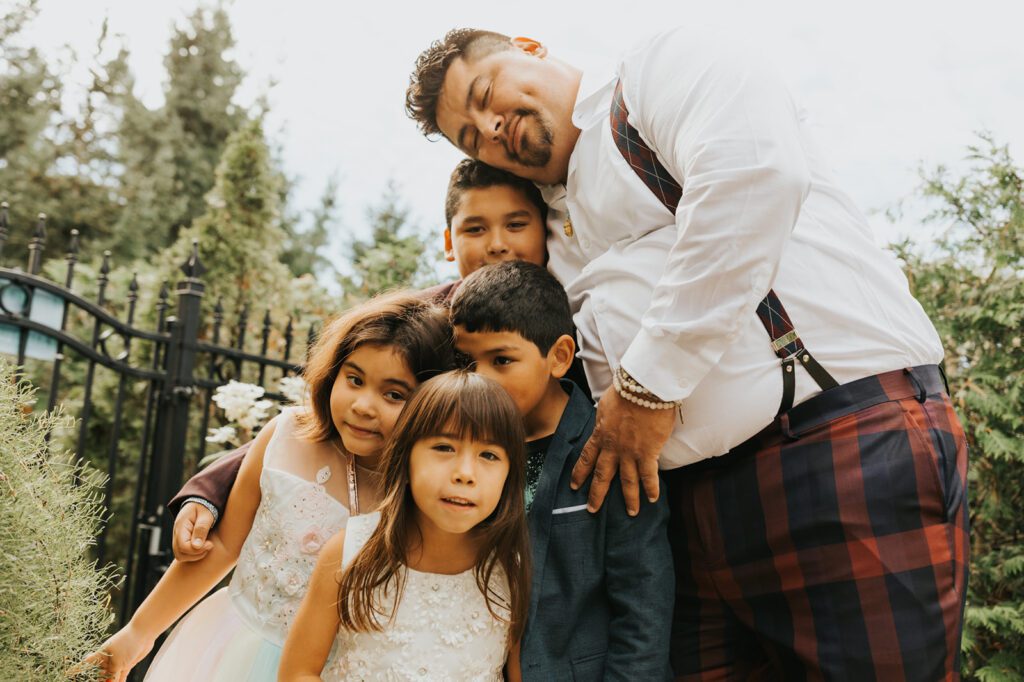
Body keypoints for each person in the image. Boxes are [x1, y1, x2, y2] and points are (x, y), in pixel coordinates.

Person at [406, 27, 969, 680]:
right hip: (678, 507)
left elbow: (755, 176)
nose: (490, 126)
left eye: (485, 93)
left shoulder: (659, 73)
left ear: (530, 47)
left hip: (829, 447)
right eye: (471, 136)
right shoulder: (544, 216)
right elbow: (478, 310)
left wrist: (648, 388)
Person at [166, 158, 589, 564]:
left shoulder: (569, 318)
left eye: (516, 224)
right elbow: (317, 422)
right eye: (476, 228)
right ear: (449, 242)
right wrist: (211, 489)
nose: (498, 243)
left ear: (547, 229)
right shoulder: (425, 321)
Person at [84, 292, 456, 681]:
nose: (364, 405)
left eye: (394, 394)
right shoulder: (286, 435)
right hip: (233, 651)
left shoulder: (426, 491)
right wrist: (137, 634)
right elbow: (225, 545)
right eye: (355, 379)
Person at [451, 261, 673, 680]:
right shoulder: (456, 450)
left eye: (501, 359)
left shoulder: (608, 447)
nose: (480, 379)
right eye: (465, 362)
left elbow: (643, 604)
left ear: (559, 357)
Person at [278, 371, 530, 681]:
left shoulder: (512, 569)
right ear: (405, 459)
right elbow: (299, 671)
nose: (465, 473)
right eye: (444, 448)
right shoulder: (350, 551)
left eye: (489, 455)